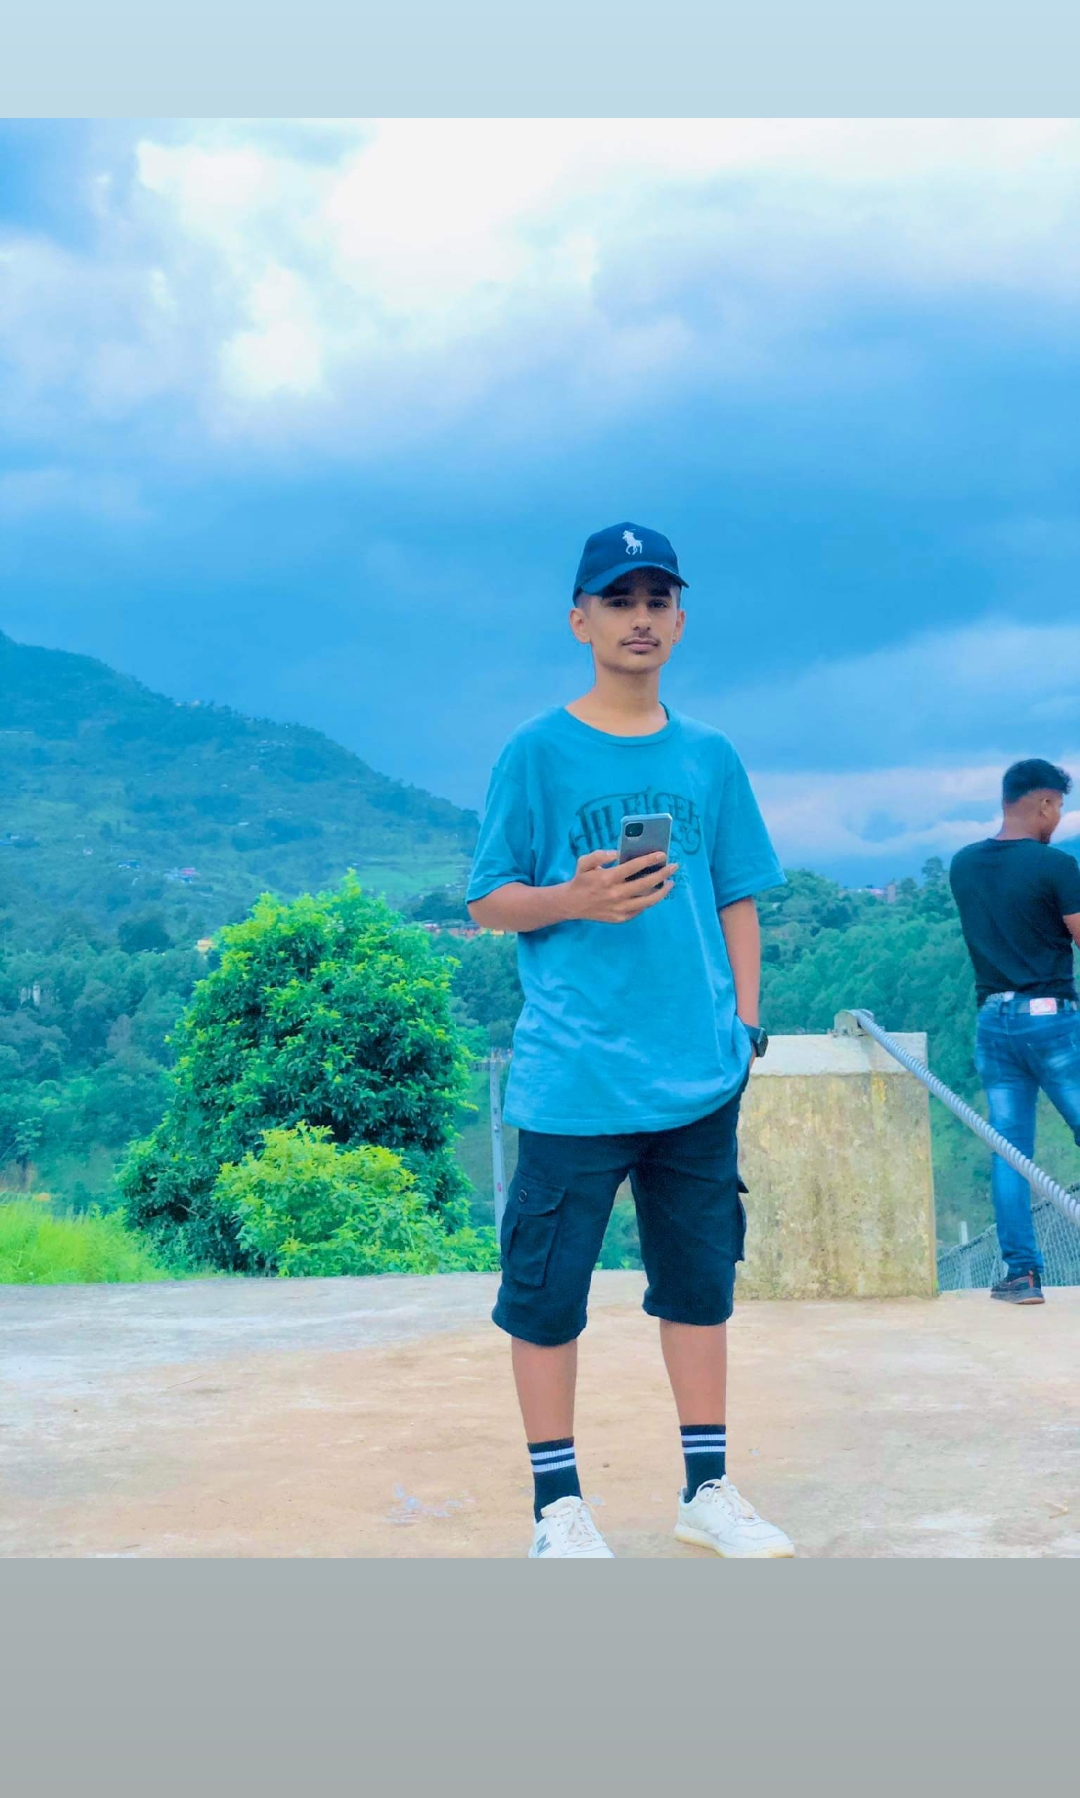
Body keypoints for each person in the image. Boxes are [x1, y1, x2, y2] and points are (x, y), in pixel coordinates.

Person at [466, 522, 794, 1559]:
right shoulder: (536, 751)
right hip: (576, 1077)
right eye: (618, 600)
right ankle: (556, 1508)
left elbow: (737, 895)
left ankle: (708, 1488)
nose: (640, 618)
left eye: (658, 600)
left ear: (681, 621)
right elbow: (487, 900)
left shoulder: (710, 755)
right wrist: (572, 897)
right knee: (545, 1295)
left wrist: (743, 1027)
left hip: (698, 1073)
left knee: (699, 1289)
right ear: (580, 621)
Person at [949, 758, 1080, 1306]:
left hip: (994, 1023)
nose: (1059, 818)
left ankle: (1022, 1275)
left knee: (1010, 1151)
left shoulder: (963, 865)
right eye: (1059, 806)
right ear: (1044, 803)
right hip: (1050, 1020)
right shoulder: (1056, 866)